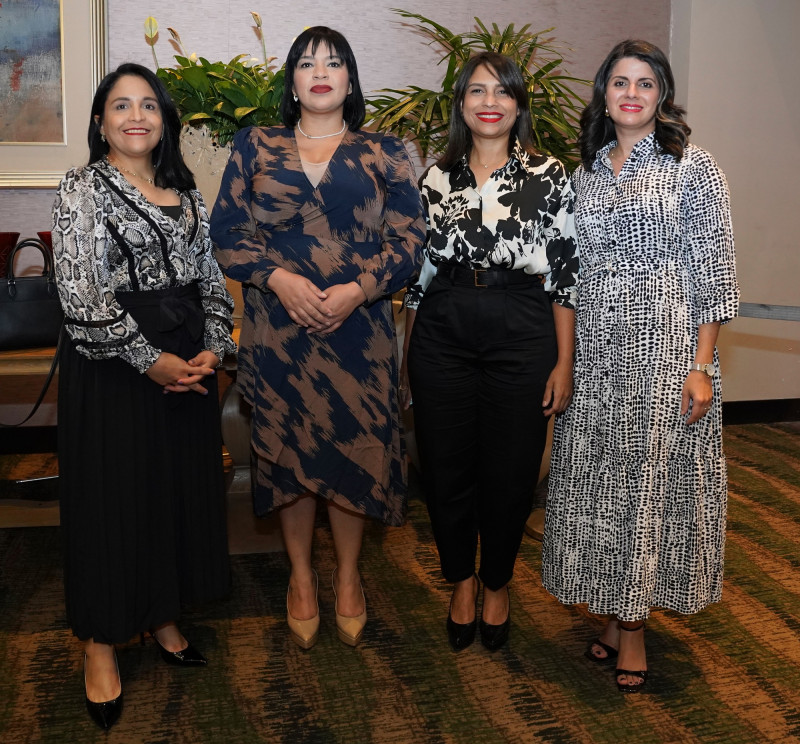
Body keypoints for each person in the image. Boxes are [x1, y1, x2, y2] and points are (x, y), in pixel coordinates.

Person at [210, 27, 425, 650]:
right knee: (288, 455)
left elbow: (410, 242)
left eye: (334, 63)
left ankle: (350, 576)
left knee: (354, 450)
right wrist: (280, 280)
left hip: (359, 331)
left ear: (351, 81)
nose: (321, 72)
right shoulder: (255, 145)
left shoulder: (386, 151)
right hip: (279, 331)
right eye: (307, 63)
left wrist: (357, 290)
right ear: (293, 81)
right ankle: (302, 578)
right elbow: (226, 231)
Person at [541, 39, 739, 693]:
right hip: (597, 355)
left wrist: (703, 365)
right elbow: (566, 278)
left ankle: (633, 628)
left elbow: (713, 273)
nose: (631, 92)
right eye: (620, 82)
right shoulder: (585, 176)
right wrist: (566, 363)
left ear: (662, 96)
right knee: (602, 487)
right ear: (603, 94)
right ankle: (612, 612)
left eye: (646, 83)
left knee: (645, 488)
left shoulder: (694, 168)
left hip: (664, 353)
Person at [52, 62, 236, 729]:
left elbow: (211, 279)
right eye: (121, 106)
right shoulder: (81, 188)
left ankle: (162, 613)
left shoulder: (185, 193)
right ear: (101, 122)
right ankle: (101, 643)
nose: (137, 116)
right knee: (113, 498)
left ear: (165, 123)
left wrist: (214, 347)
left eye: (149, 106)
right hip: (115, 366)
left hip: (189, 362)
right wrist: (148, 359)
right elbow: (80, 294)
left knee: (174, 493)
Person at [401, 52, 578, 652]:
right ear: (461, 105)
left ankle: (497, 582)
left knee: (510, 471)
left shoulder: (550, 174)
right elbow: (417, 281)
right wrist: (405, 360)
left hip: (522, 326)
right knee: (445, 469)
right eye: (477, 91)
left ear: (518, 104)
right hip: (444, 326)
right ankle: (460, 582)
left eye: (502, 92)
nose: (489, 102)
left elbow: (563, 276)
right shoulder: (434, 177)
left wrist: (564, 361)